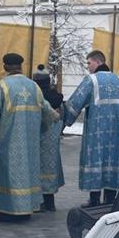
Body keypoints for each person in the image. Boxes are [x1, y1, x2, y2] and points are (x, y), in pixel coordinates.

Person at [0, 53, 57, 221]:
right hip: (30, 143)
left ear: (5, 67)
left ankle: (6, 211)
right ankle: (26, 208)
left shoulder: (0, 87)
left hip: (7, 142)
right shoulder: (34, 87)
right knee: (28, 173)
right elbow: (49, 114)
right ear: (21, 67)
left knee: (7, 174)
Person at [65, 50, 119, 207]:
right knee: (112, 162)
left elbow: (75, 102)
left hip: (95, 134)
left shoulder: (91, 80)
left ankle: (94, 200)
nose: (88, 67)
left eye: (89, 63)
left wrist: (66, 119)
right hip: (114, 135)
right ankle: (110, 199)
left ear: (98, 62)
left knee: (95, 161)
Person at [34, 64, 65, 212]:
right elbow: (63, 118)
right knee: (50, 168)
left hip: (37, 141)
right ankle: (50, 203)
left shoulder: (36, 98)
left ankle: (40, 202)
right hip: (52, 143)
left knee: (38, 169)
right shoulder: (57, 98)